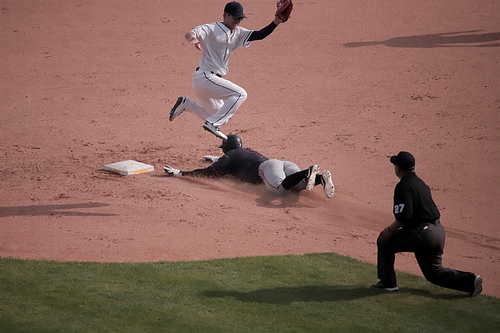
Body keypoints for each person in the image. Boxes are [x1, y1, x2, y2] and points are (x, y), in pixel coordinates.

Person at [169, 2, 285, 140]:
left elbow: (259, 35)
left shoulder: (239, 33)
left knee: (222, 116)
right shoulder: (211, 28)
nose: (237, 21)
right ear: (225, 15)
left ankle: (187, 104)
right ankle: (212, 124)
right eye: (235, 17)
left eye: (240, 18)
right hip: (205, 78)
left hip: (209, 84)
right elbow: (191, 33)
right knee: (240, 94)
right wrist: (193, 39)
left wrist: (276, 22)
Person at [372, 151, 482, 296]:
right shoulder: (421, 183)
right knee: (434, 274)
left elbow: (404, 216)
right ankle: (470, 281)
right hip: (438, 232)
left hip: (422, 234)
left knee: (384, 240)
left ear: (398, 168)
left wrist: (390, 230)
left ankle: (388, 283)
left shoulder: (403, 186)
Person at [163, 135, 335, 198]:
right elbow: (236, 161)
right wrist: (216, 158)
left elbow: (209, 174)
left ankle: (309, 170)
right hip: (284, 164)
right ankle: (321, 179)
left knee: (280, 190)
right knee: (298, 186)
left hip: (267, 169)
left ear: (227, 149)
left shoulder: (229, 156)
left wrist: (181, 173)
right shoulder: (244, 152)